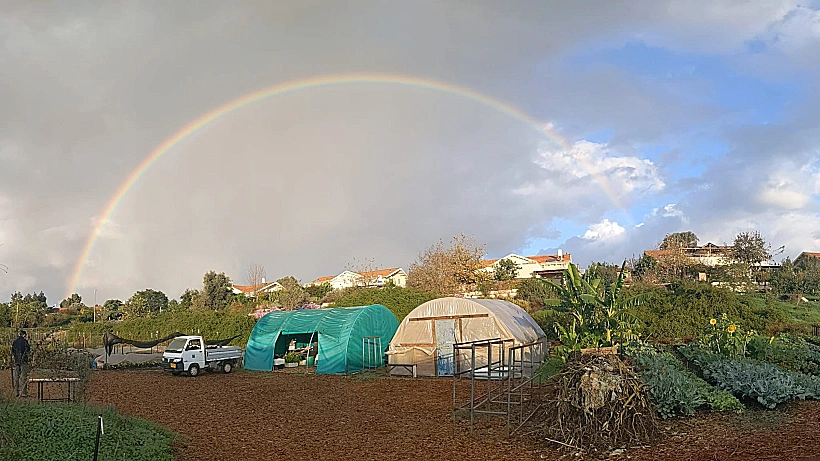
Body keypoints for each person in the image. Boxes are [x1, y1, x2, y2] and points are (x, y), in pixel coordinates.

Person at [11, 330, 31, 398]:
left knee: (16, 377)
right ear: (24, 335)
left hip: (17, 361)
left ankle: (16, 392)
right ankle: (24, 393)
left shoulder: (15, 342)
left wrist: (16, 357)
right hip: (24, 361)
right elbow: (28, 350)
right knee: (24, 377)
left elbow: (12, 351)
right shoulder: (25, 342)